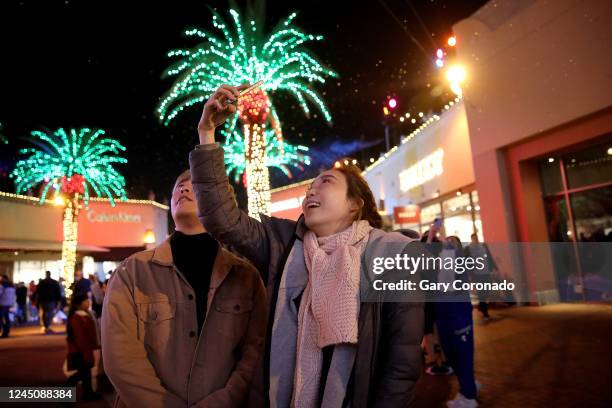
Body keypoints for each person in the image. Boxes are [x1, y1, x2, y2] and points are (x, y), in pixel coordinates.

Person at [189, 84, 425, 407]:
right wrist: (207, 133)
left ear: (355, 203)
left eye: (325, 183)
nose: (310, 193)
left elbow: (401, 366)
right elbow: (223, 219)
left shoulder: (391, 256)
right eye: (309, 188)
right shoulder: (281, 245)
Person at [102, 169, 267, 408]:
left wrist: (223, 401)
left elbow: (254, 353)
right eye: (178, 186)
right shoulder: (132, 272)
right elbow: (121, 359)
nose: (183, 189)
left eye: (195, 184)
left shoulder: (246, 277)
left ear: (221, 199)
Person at [432, 233, 479, 408]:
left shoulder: (456, 261)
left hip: (458, 316)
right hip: (446, 316)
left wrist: (448, 251)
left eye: (452, 242)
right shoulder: (443, 261)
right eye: (447, 241)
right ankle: (468, 387)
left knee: (463, 355)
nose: (448, 243)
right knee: (453, 356)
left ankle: (469, 396)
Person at [66, 293, 101, 401]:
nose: (88, 302)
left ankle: (88, 393)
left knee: (86, 373)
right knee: (82, 373)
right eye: (86, 301)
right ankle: (65, 392)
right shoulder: (78, 317)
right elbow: (80, 337)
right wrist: (87, 352)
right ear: (79, 304)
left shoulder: (85, 315)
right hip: (80, 350)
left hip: (84, 349)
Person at [466, 233, 498, 320]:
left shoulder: (483, 245)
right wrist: (469, 273)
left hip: (486, 272)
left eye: (476, 238)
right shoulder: (468, 248)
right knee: (481, 292)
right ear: (471, 239)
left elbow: (489, 256)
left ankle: (481, 306)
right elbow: (466, 262)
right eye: (473, 238)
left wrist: (495, 267)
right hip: (477, 274)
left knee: (488, 289)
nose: (475, 240)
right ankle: (485, 312)